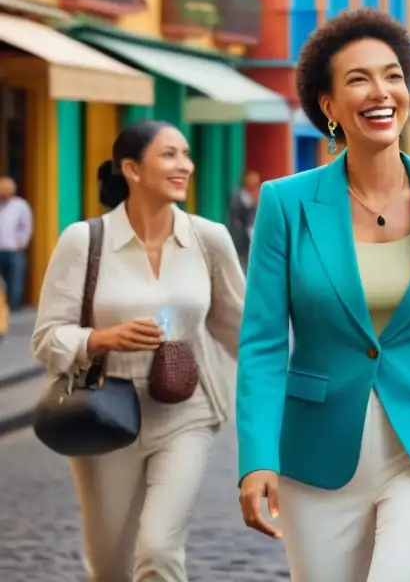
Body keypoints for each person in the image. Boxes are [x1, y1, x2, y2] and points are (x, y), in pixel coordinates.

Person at [236, 8, 410, 582]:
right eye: (358, 79)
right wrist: (256, 457)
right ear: (330, 106)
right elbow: (263, 344)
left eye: (392, 75)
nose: (381, 91)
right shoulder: (285, 205)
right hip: (315, 459)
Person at [30, 119, 244, 581]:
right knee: (110, 564)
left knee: (160, 549)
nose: (184, 165)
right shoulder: (84, 241)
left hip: (187, 410)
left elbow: (241, 330)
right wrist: (100, 339)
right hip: (104, 413)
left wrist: (295, 387)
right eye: (169, 155)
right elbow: (46, 337)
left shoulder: (209, 240)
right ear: (131, 168)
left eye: (186, 154)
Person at [0, 176, 33, 311]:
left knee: (14, 280)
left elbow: (26, 225)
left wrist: (21, 243)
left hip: (14, 249)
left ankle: (13, 307)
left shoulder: (20, 205)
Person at [227, 169, 260, 271]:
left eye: (256, 184)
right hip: (240, 244)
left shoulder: (260, 199)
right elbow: (236, 217)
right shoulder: (238, 198)